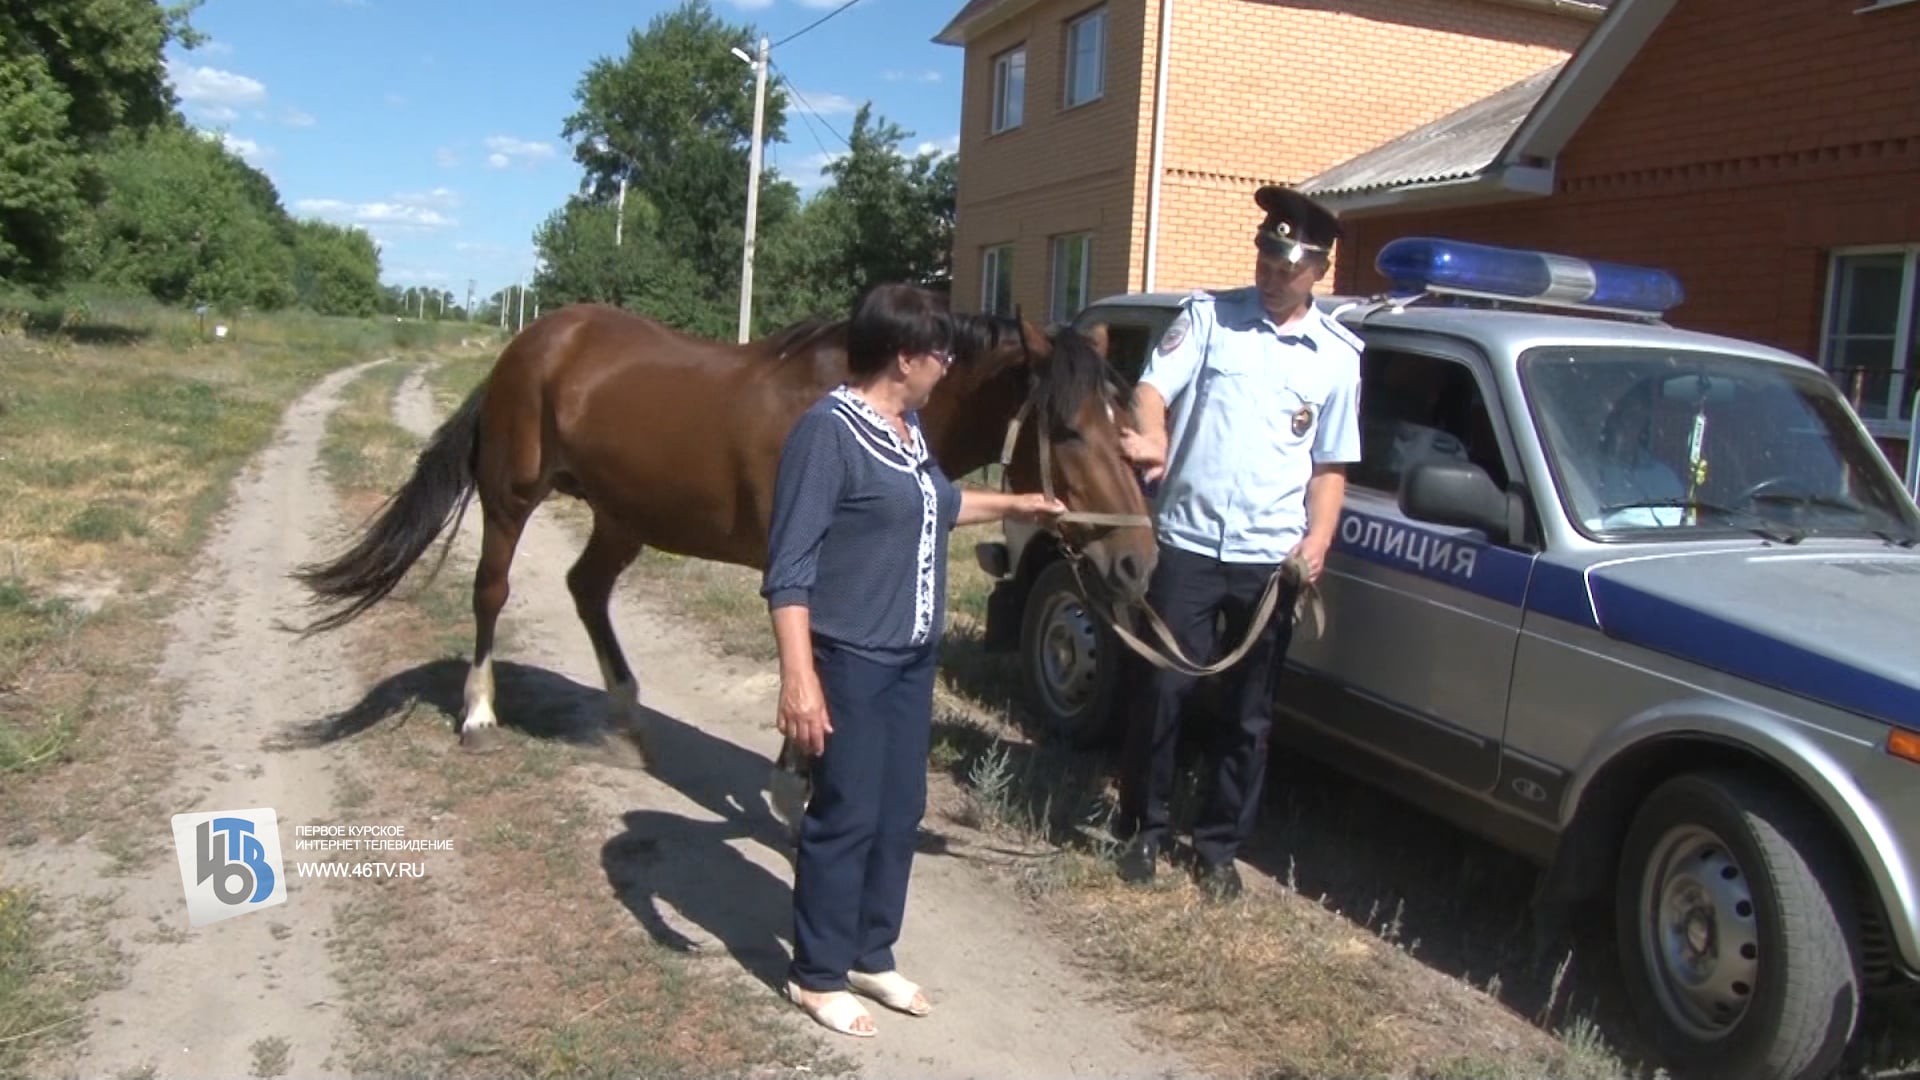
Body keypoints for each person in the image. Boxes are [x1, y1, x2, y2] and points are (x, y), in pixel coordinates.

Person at [760, 283, 1066, 1038]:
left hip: (910, 655)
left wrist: (1018, 504)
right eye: (942, 354)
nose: (947, 366)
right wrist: (799, 677)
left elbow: (936, 504)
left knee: (900, 811)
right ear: (905, 357)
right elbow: (789, 566)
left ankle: (870, 948)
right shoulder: (827, 433)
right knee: (846, 812)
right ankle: (817, 973)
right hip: (852, 655)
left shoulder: (908, 427)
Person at [1112, 186, 1363, 900]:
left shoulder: (1338, 357)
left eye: (1287, 263)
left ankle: (1218, 848)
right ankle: (1144, 830)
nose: (1271, 271)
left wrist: (1318, 541)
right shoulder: (1208, 318)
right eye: (1265, 253)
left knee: (1249, 714)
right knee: (1162, 691)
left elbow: (1331, 465)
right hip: (1189, 544)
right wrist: (1153, 431)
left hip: (1268, 558)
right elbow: (1153, 389)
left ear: (1317, 269)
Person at [1591, 378, 1686, 528]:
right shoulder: (1583, 475)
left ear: (1643, 422)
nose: (1623, 424)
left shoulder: (1664, 478)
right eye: (1617, 415)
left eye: (1632, 417)